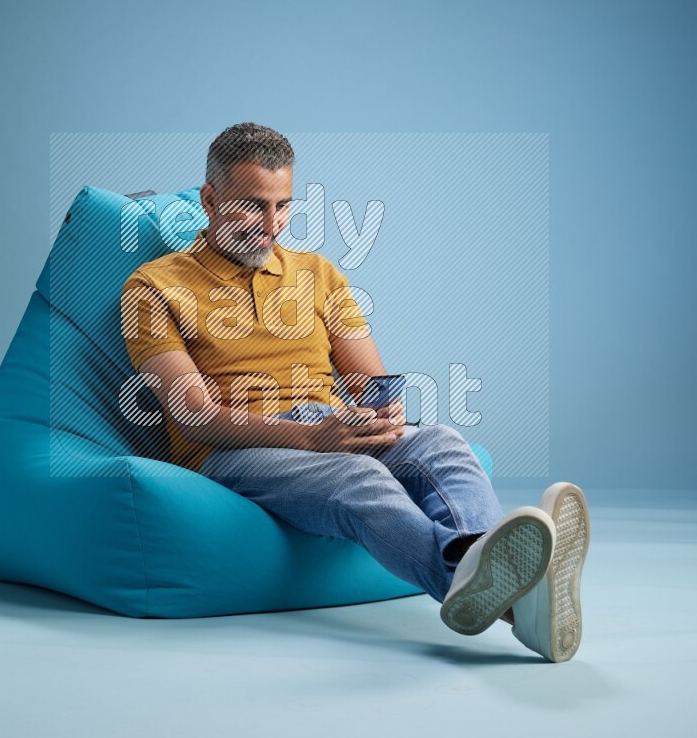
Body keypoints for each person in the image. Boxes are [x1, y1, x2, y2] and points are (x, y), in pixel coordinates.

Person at [121, 123, 590, 662]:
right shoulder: (152, 286)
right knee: (359, 476)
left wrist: (381, 414)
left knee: (441, 440)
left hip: (328, 424)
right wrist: (312, 437)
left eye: (282, 206)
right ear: (210, 199)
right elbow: (192, 416)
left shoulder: (318, 274)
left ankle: (492, 575)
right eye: (253, 206)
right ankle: (514, 593)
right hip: (232, 450)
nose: (270, 225)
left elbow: (368, 382)